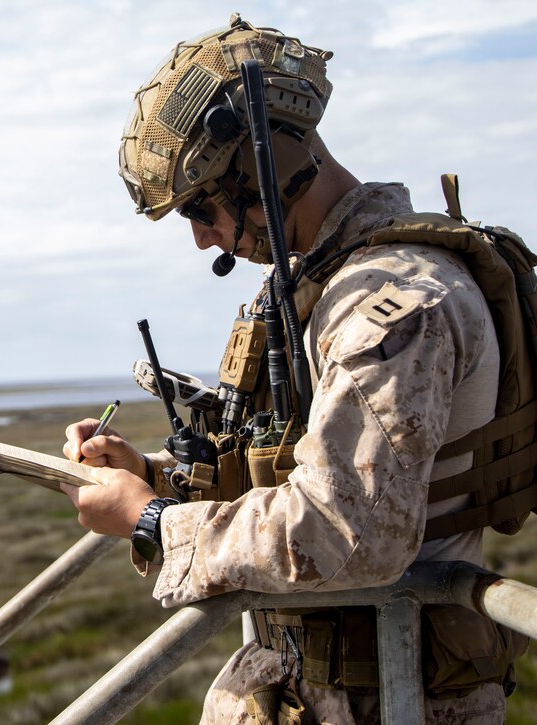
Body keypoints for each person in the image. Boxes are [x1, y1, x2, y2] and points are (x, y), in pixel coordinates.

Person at [60, 14, 529, 724]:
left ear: (261, 169)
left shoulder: (393, 304)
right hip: (311, 687)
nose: (200, 237)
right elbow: (298, 468)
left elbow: (349, 530)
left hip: (392, 694)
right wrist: (154, 475)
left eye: (203, 206)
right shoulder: (318, 284)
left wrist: (153, 521)